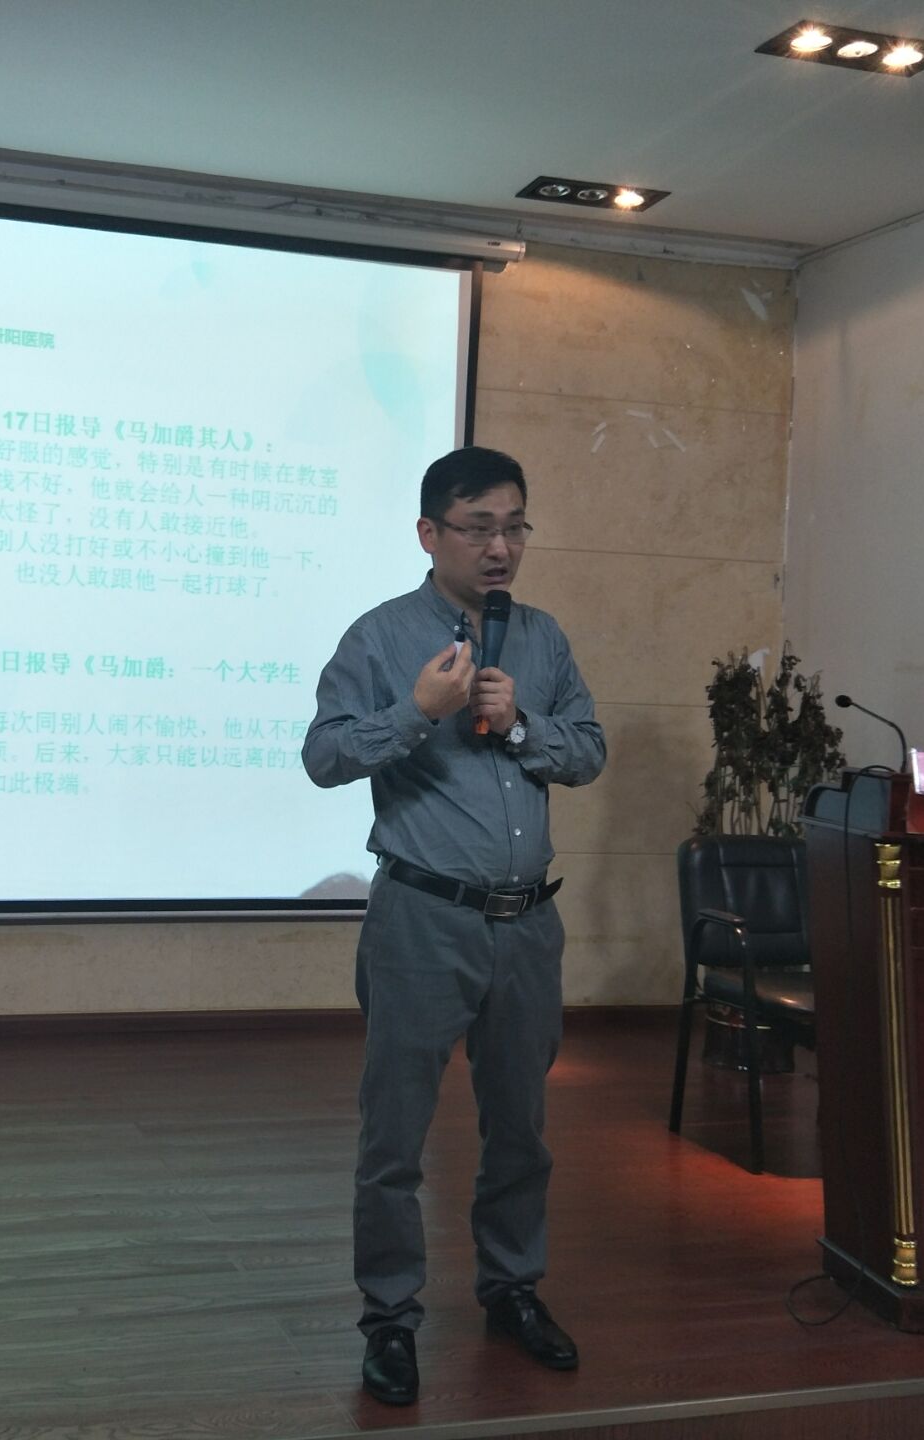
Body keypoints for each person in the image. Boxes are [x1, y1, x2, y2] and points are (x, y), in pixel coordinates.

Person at [302, 445, 606, 1406]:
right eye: (479, 528)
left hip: (527, 927)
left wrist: (522, 725)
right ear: (430, 534)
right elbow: (322, 757)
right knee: (395, 1138)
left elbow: (588, 752)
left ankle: (512, 1289)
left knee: (520, 1129)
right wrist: (414, 713)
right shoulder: (380, 636)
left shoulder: (544, 640)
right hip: (422, 919)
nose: (500, 547)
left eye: (514, 526)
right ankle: (390, 1319)